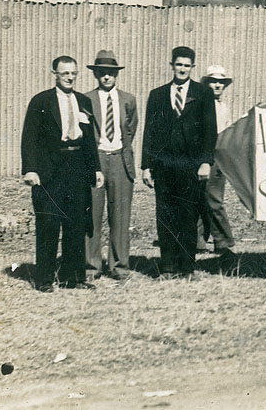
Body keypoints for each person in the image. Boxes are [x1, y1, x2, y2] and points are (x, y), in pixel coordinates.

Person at [21, 55, 103, 291]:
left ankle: (73, 278)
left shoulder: (84, 101)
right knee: (48, 223)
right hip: (50, 169)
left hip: (77, 167)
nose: (69, 77)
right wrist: (30, 169)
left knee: (76, 223)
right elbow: (30, 138)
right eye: (64, 73)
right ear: (54, 73)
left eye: (73, 73)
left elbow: (89, 140)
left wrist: (95, 168)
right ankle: (44, 279)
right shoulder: (41, 101)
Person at [141, 46, 217, 278]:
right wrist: (146, 165)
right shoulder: (157, 95)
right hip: (164, 167)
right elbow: (149, 132)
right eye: (178, 64)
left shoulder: (203, 93)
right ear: (171, 65)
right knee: (166, 217)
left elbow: (209, 130)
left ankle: (186, 267)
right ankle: (167, 267)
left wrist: (206, 162)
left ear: (192, 67)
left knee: (188, 216)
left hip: (191, 166)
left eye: (186, 65)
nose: (182, 69)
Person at [84, 50, 138, 280]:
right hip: (95, 161)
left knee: (120, 216)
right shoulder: (86, 99)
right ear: (96, 74)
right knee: (92, 217)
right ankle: (91, 267)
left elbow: (131, 129)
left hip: (119, 160)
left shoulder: (128, 99)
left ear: (117, 75)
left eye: (111, 73)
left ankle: (119, 266)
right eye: (102, 73)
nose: (106, 77)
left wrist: (120, 151)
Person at [196, 64, 236, 257]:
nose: (217, 86)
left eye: (221, 82)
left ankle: (223, 242)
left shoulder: (224, 108)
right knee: (199, 198)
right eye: (214, 82)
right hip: (201, 157)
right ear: (207, 84)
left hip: (218, 158)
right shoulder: (200, 104)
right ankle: (198, 242)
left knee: (214, 199)